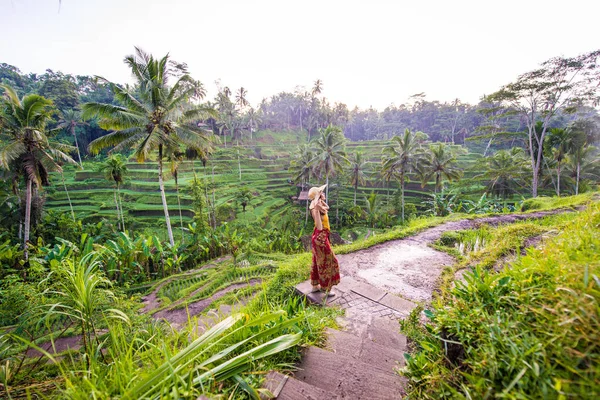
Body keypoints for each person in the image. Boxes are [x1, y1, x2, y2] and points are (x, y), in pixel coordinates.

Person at [308, 184, 340, 296]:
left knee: (317, 261)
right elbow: (319, 227)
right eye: (322, 192)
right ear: (318, 196)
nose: (324, 193)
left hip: (319, 236)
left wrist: (319, 200)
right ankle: (326, 289)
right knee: (327, 262)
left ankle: (315, 286)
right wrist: (317, 206)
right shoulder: (315, 209)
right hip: (320, 237)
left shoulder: (319, 206)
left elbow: (327, 208)